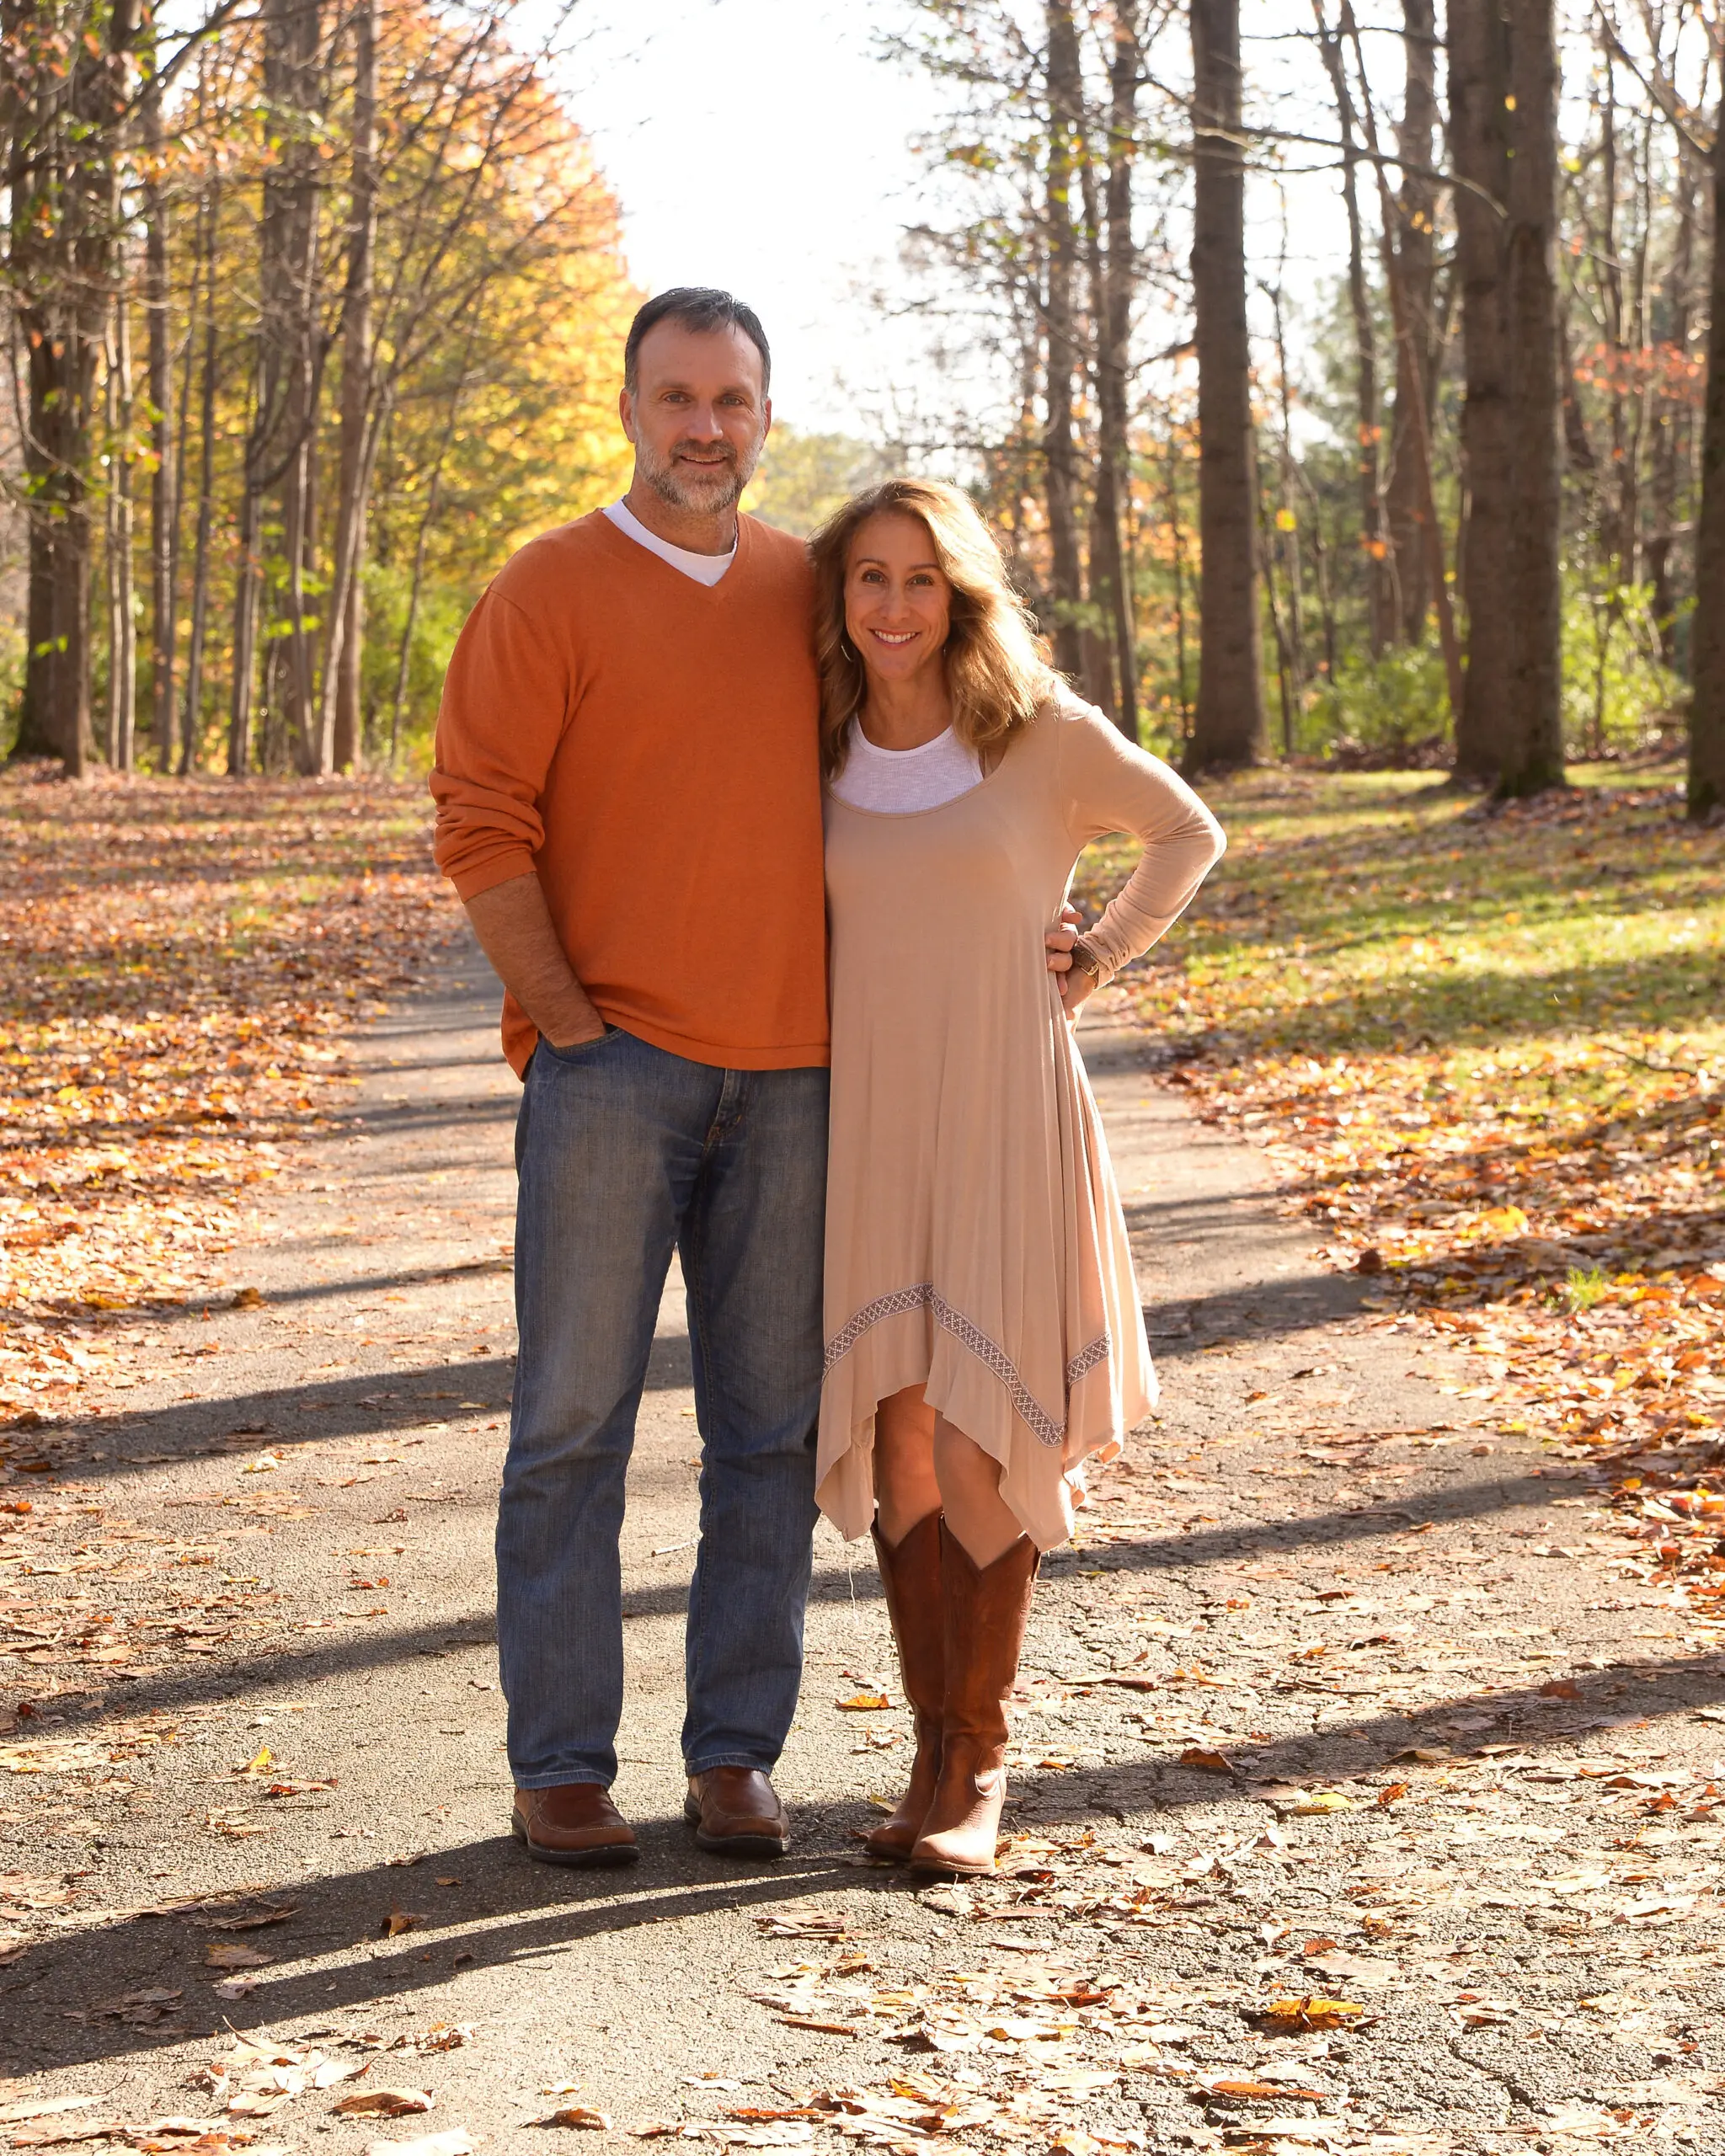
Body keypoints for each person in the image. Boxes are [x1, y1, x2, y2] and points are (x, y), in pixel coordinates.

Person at [430, 288, 831, 1868]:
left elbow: (923, 773)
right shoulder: (548, 591)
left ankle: (736, 1756)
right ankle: (562, 1767)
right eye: (675, 397)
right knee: (573, 1424)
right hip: (614, 1073)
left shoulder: (814, 591)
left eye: (730, 399)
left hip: (800, 1076)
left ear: (765, 416)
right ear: (629, 409)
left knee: (770, 1437)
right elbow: (479, 819)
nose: (703, 428)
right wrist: (567, 1021)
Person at [812, 478, 1226, 1877]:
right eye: (868, 577)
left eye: (919, 579)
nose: (891, 605)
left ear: (963, 595)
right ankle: (927, 1751)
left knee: (986, 1424)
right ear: (842, 597)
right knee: (903, 1427)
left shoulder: (1040, 735)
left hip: (1002, 1109)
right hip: (866, 1122)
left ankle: (980, 1766)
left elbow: (1189, 831)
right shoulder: (815, 741)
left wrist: (1100, 954)